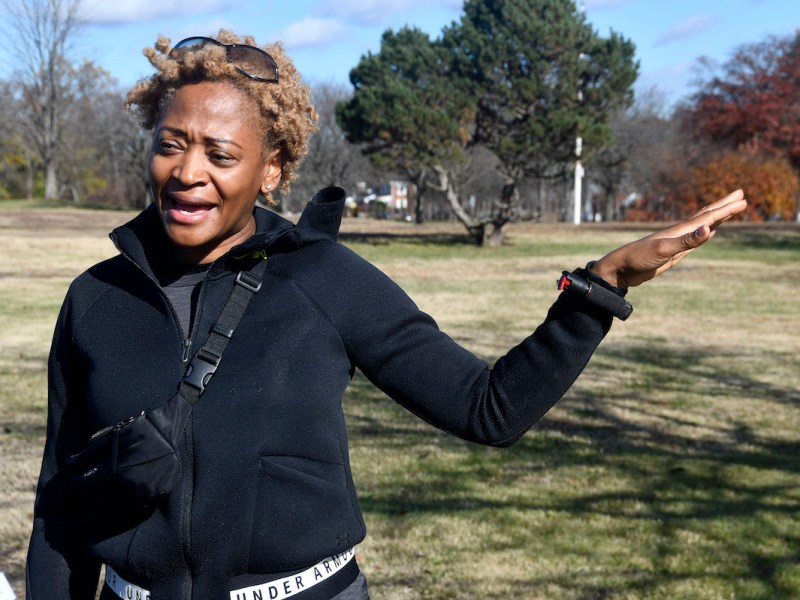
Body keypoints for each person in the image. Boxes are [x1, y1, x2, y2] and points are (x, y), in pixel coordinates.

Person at [25, 31, 747, 600]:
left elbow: (487, 408)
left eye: (221, 153)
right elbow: (61, 503)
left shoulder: (325, 279)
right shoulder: (97, 298)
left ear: (272, 168)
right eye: (172, 143)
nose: (188, 172)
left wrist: (602, 285)